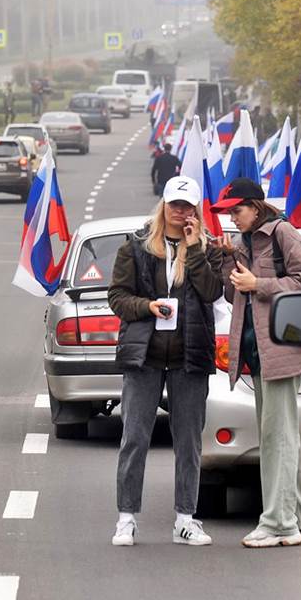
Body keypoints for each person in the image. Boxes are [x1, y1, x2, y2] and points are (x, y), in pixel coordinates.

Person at [107, 176, 225, 547]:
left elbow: (211, 292)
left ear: (196, 210)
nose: (180, 211)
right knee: (135, 438)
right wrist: (147, 307)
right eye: (174, 204)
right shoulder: (137, 247)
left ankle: (185, 519)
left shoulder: (206, 248)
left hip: (190, 358)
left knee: (188, 441)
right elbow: (117, 297)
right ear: (164, 205)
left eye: (187, 206)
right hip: (145, 357)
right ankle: (126, 518)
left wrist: (196, 250)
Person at [211, 177, 301, 549]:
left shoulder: (284, 234)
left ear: (256, 206)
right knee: (277, 436)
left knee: (279, 437)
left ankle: (279, 523)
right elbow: (234, 294)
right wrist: (227, 257)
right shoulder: (245, 243)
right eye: (229, 212)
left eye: (237, 210)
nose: (233, 217)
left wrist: (258, 283)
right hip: (257, 352)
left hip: (282, 349)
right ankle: (296, 518)